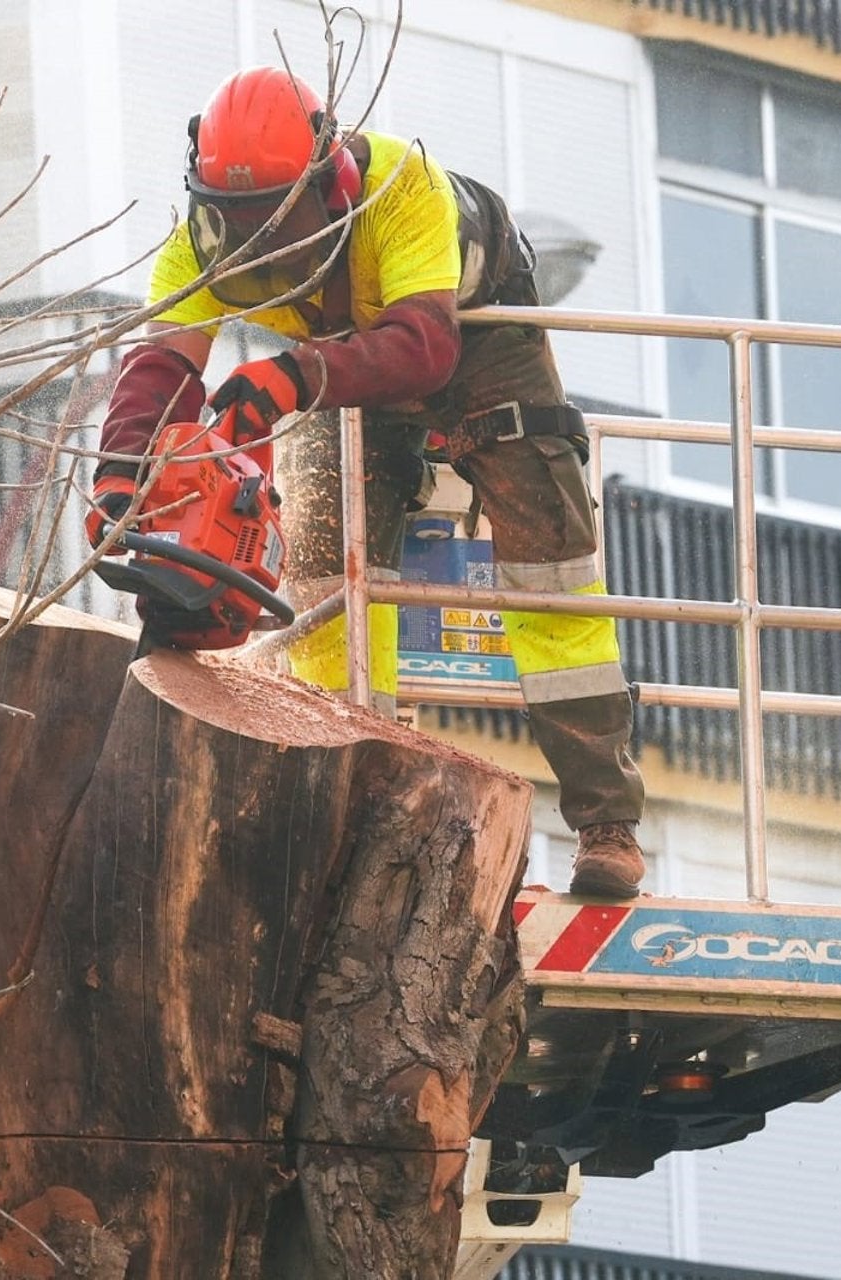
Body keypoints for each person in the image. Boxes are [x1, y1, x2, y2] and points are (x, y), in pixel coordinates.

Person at [86, 66, 647, 898]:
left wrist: (287, 380)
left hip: (472, 336)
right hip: (337, 361)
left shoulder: (400, 188)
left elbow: (425, 347)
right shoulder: (195, 246)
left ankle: (607, 824)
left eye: (277, 220)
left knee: (548, 564)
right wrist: (121, 480)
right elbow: (161, 370)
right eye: (239, 222)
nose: (258, 242)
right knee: (325, 568)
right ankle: (349, 790)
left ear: (329, 182)